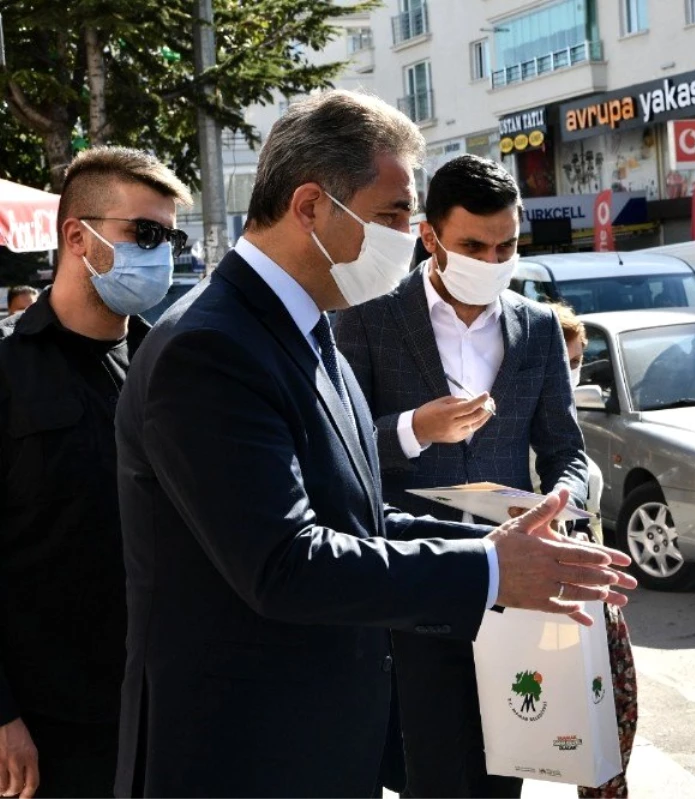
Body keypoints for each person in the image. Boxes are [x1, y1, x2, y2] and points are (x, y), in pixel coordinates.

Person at [113, 90, 635, 799]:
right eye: (392, 214)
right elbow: (284, 562)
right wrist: (485, 570)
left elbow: (358, 520)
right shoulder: (210, 348)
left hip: (321, 744)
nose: (405, 234)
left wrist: (508, 547)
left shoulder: (310, 325)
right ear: (310, 207)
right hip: (243, 755)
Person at [335, 153, 589, 799]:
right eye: (473, 244)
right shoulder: (368, 315)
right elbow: (334, 450)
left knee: (507, 774)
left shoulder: (535, 327)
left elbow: (568, 448)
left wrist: (565, 500)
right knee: (431, 776)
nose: (492, 258)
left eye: (505, 245)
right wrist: (415, 426)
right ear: (429, 236)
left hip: (513, 590)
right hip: (414, 584)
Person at [0, 147, 190, 799]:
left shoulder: (168, 371)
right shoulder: (8, 375)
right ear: (77, 237)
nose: (161, 254)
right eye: (145, 234)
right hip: (45, 732)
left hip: (158, 711)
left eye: (171, 237)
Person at [537, 302, 638, 799]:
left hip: (594, 598)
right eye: (563, 359)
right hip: (551, 602)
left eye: (578, 360)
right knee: (570, 737)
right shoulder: (525, 429)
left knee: (609, 738)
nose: (572, 370)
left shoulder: (567, 429)